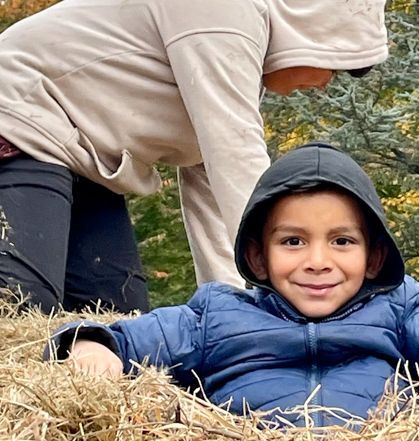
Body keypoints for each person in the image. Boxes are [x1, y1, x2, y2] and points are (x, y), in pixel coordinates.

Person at [44, 142, 419, 428]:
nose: (318, 261)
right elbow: (135, 339)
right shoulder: (218, 315)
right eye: (293, 242)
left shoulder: (402, 307)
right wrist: (92, 345)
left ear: (374, 253)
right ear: (258, 256)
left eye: (342, 242)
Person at [0, 0, 388, 313]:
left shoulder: (240, 59)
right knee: (20, 305)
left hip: (78, 157)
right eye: (334, 68)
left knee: (114, 319)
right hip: (16, 116)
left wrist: (241, 309)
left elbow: (215, 197)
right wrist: (288, 283)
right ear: (317, 30)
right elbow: (237, 158)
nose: (323, 85)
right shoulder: (221, 10)